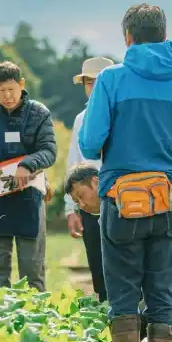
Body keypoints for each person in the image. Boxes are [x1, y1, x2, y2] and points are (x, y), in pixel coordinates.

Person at [78, 3, 172, 342]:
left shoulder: (111, 79)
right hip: (165, 200)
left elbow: (90, 143)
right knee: (162, 295)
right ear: (165, 35)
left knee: (123, 297)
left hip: (120, 202)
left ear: (128, 37)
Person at [0, 61, 56, 291]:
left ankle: (35, 310)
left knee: (32, 271)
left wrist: (28, 165)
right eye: (1, 90)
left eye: (11, 89)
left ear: (22, 84)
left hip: (29, 200)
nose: (7, 96)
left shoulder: (39, 114)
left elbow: (49, 151)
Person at [64, 164, 172, 293]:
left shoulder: (124, 190)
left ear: (95, 182)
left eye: (81, 196)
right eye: (77, 202)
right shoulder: (108, 210)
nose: (82, 205)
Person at [64, 56, 114, 300]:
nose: (93, 88)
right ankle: (105, 311)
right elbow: (73, 163)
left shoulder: (123, 113)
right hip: (89, 202)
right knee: (97, 262)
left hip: (120, 199)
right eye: (88, 83)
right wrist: (71, 208)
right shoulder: (81, 119)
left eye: (98, 82)